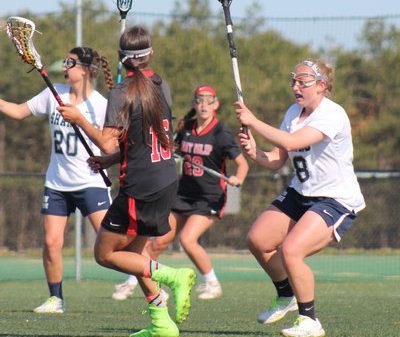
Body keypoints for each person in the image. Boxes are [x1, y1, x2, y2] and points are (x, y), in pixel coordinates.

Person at [59, 25, 196, 337]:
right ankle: (161, 323)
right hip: (164, 179)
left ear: (121, 58)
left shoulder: (122, 92)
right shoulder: (162, 84)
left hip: (141, 186)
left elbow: (108, 142)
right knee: (135, 254)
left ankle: (173, 276)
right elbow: (138, 141)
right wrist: (109, 162)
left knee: (105, 254)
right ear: (151, 55)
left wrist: (80, 119)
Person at [235, 59, 365, 337]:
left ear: (321, 86)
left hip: (334, 199)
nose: (296, 86)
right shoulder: (293, 112)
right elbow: (277, 159)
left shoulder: (332, 114)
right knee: (258, 240)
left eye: (303, 81)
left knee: (291, 251)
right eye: (294, 80)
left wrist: (253, 121)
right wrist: (254, 153)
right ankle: (286, 296)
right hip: (300, 193)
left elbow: (292, 142)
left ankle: (310, 320)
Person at [0, 47, 114, 314]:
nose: (65, 67)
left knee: (111, 242)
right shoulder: (54, 94)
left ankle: (145, 280)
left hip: (91, 182)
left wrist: (81, 119)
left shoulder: (102, 105)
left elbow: (110, 146)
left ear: (86, 70)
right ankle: (56, 299)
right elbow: (18, 111)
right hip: (57, 183)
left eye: (71, 63)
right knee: (51, 242)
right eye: (65, 62)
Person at [113, 84, 249, 301]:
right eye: (199, 100)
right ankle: (133, 282)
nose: (204, 105)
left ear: (216, 105)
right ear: (194, 104)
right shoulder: (186, 130)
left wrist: (238, 178)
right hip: (182, 195)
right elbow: (169, 149)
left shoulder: (221, 132)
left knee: (187, 239)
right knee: (157, 242)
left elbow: (242, 164)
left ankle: (212, 283)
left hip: (209, 197)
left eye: (209, 100)